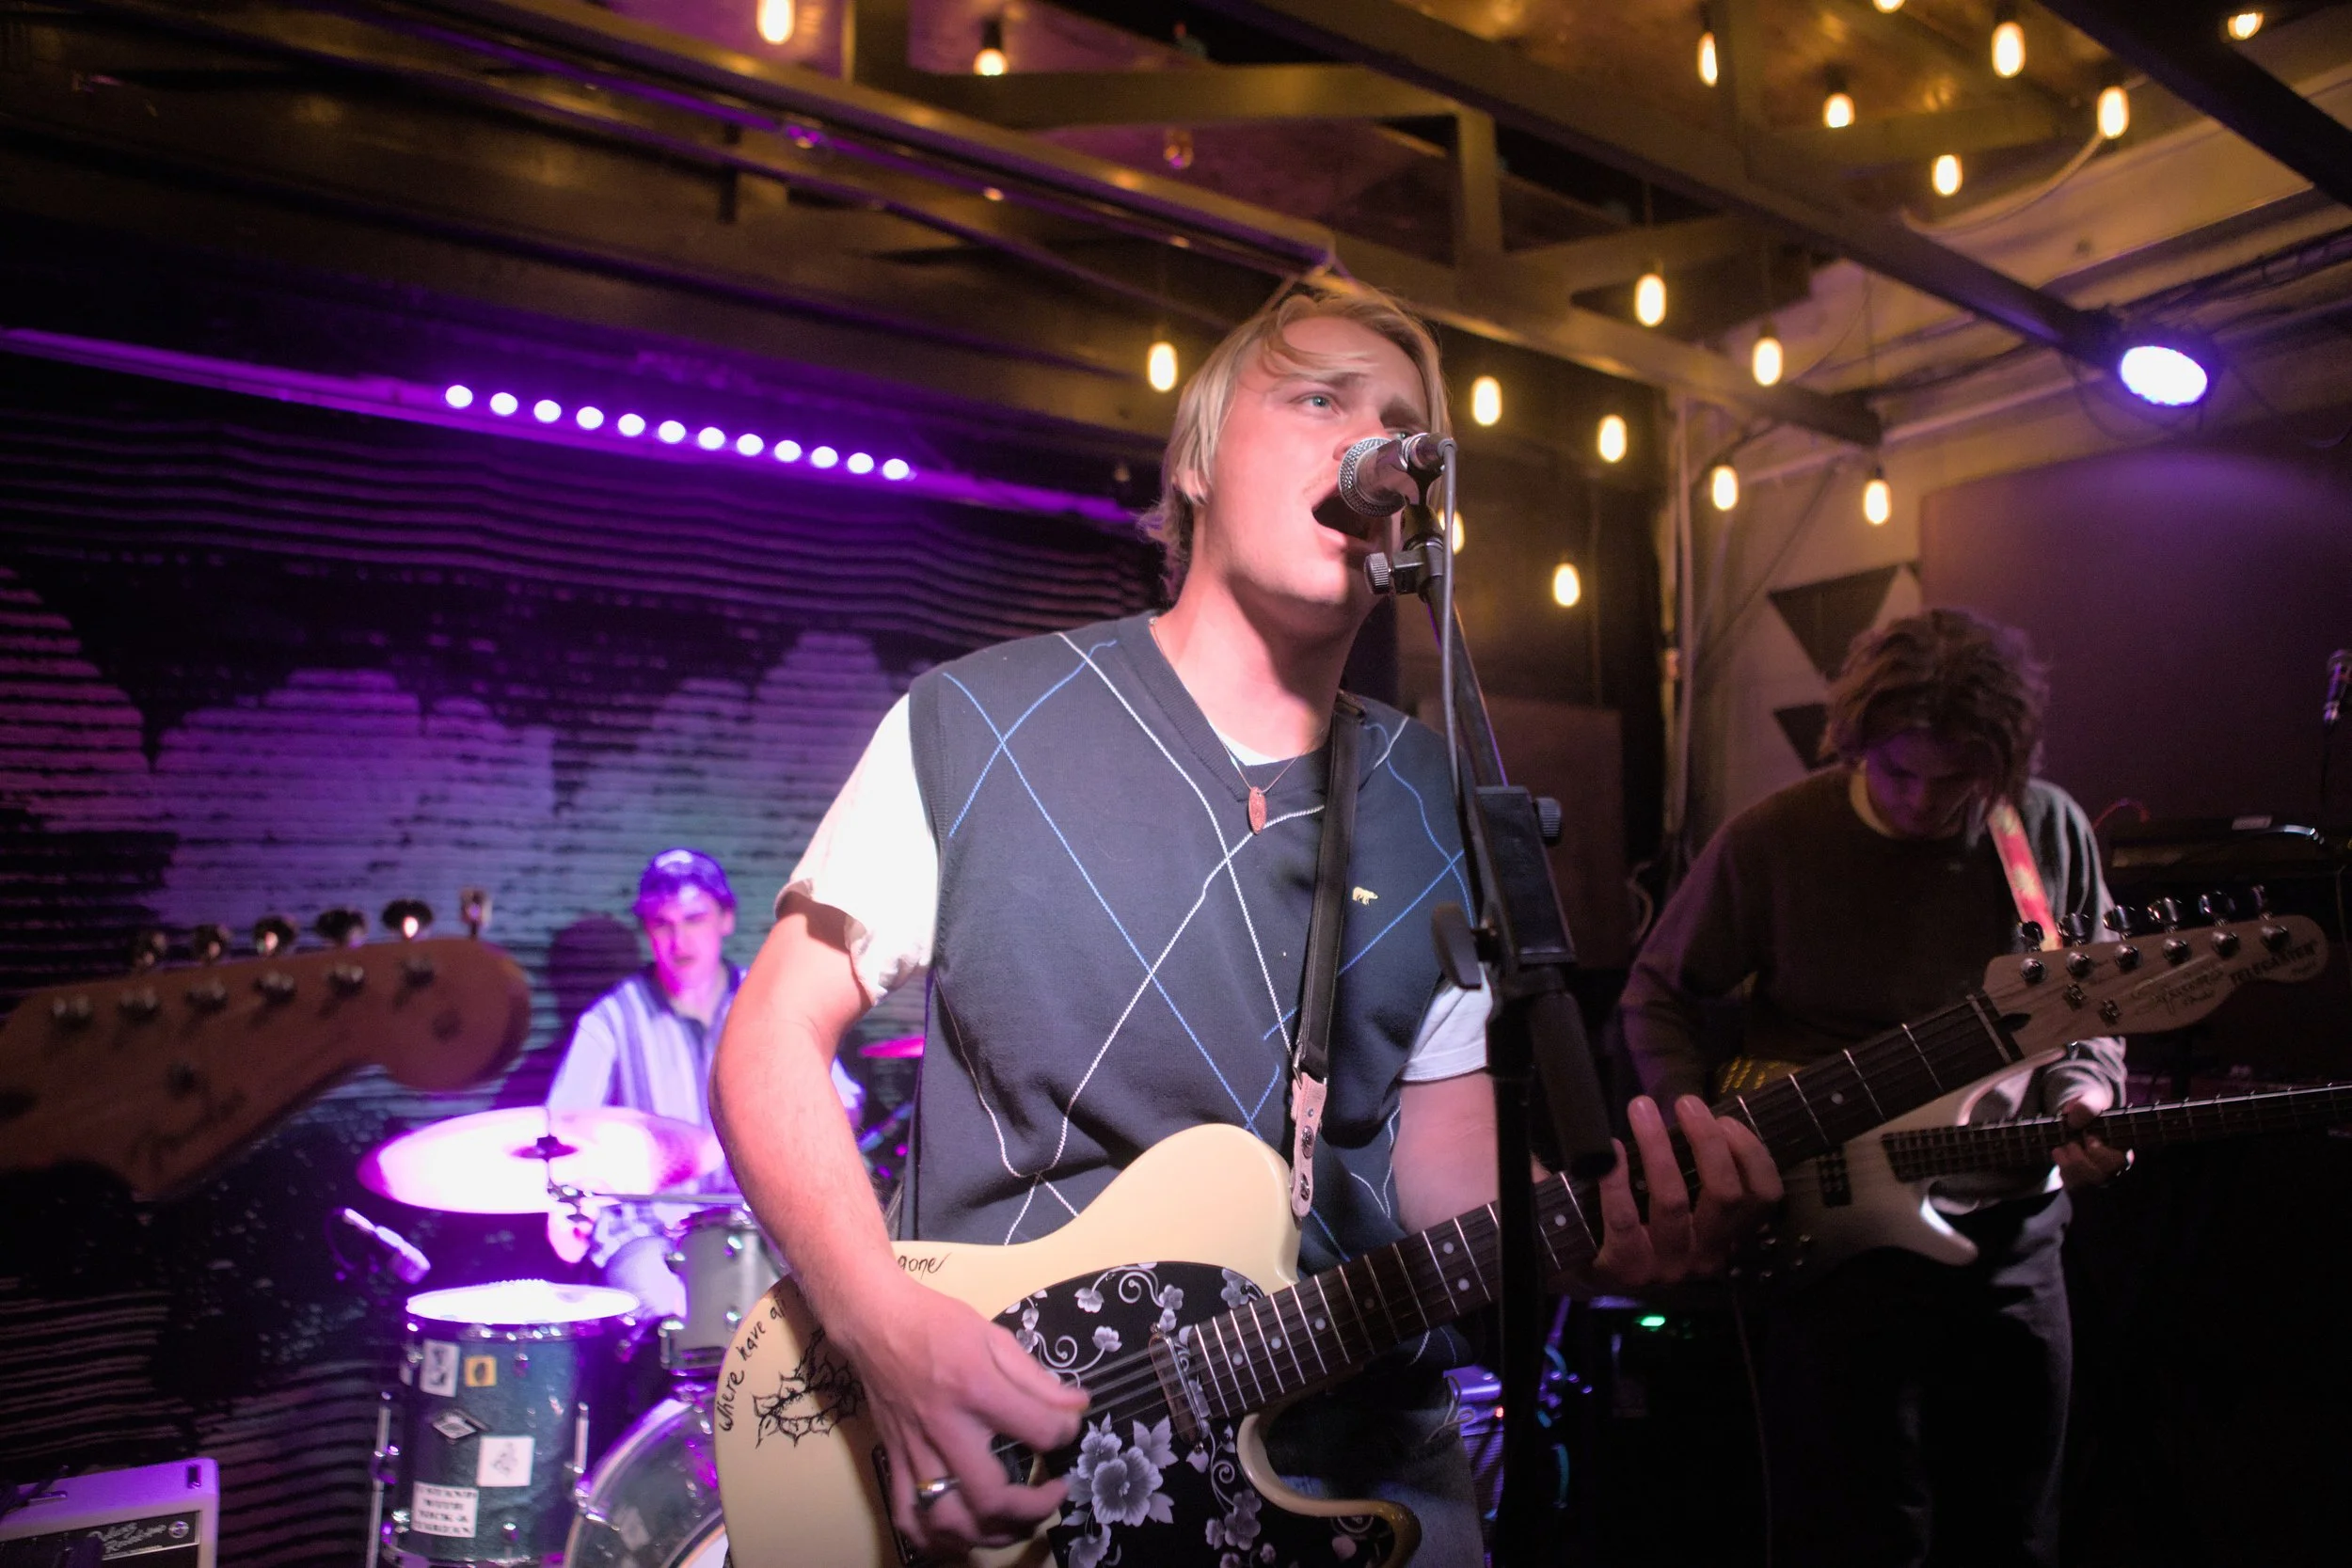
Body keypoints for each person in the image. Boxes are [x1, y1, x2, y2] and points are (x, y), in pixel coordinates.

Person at [712, 280, 1782, 1564]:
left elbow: (1441, 1167)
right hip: (1020, 1469)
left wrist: (1599, 1236)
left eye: (1401, 422)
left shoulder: (1439, 799)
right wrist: (877, 1322)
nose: (1374, 442)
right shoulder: (973, 721)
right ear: (1197, 459)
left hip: (1358, 1480)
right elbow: (769, 1037)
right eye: (1320, 398)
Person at [1618, 608, 2129, 1567]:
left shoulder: (2042, 828)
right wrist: (1701, 1129)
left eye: (1956, 779)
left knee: (2015, 1534)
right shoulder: (1775, 836)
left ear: (2000, 763)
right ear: (1854, 741)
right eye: (1898, 771)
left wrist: (2088, 1095)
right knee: (1854, 1536)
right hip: (1833, 1246)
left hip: (2011, 1235)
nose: (1923, 800)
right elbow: (1657, 995)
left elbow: (2091, 1007)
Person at [548, 847, 863, 1317]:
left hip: (756, 1220)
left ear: (725, 919)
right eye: (662, 924)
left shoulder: (770, 1000)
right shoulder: (610, 1020)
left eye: (695, 919)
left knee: (818, 1304)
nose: (680, 941)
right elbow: (562, 1134)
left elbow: (844, 1102)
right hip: (646, 1229)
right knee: (673, 1307)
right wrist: (573, 1198)